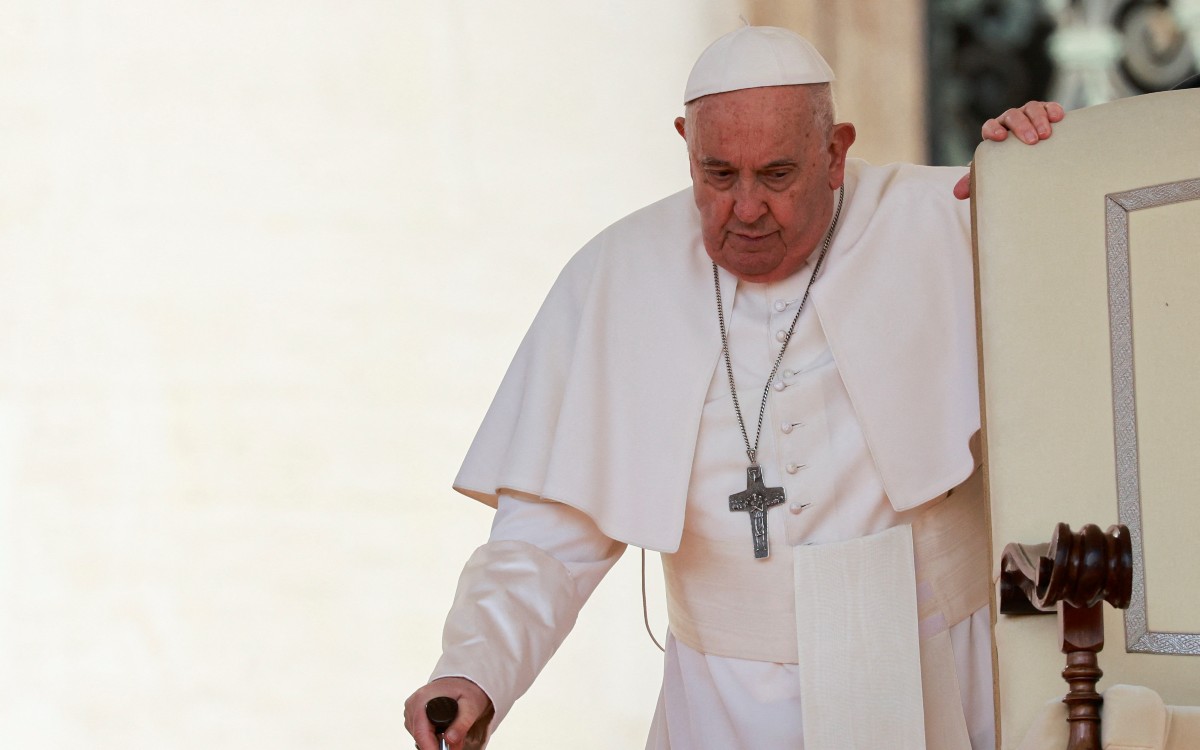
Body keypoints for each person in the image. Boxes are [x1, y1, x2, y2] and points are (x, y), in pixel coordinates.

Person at [404, 25, 1064, 750]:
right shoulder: (617, 277)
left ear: (836, 152)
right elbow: (546, 536)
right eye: (718, 175)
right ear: (686, 143)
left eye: (778, 175)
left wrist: (1045, 167)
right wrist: (473, 669)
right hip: (721, 705)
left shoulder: (948, 216)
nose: (746, 209)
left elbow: (1111, 297)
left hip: (931, 673)